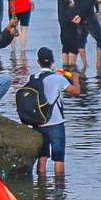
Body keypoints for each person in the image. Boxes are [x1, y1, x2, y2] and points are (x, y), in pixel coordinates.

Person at [20, 47, 79, 179]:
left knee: (42, 157)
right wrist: (75, 79)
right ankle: (59, 188)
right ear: (53, 61)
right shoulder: (58, 77)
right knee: (59, 158)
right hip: (56, 122)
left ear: (38, 61)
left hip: (38, 122)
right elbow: (76, 92)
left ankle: (42, 186)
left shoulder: (32, 77)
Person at [55, 0, 79, 70]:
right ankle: (73, 67)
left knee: (65, 42)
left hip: (62, 15)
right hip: (70, 15)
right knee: (74, 42)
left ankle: (65, 66)